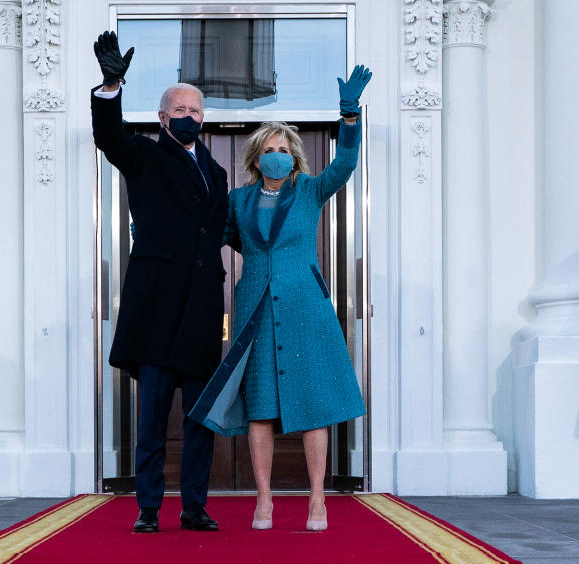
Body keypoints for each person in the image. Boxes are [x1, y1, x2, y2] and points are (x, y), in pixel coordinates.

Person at [190, 65, 372, 531]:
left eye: (283, 149)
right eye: (268, 150)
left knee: (311, 404)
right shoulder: (238, 199)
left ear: (294, 157)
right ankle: (264, 500)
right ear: (256, 158)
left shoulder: (310, 191)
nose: (276, 155)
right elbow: (222, 237)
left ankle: (317, 500)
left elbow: (346, 164)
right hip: (254, 308)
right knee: (260, 406)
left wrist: (348, 117)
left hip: (305, 308)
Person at [90, 31, 228, 533]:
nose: (189, 114)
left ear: (202, 118)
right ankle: (148, 508)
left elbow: (222, 231)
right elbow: (109, 137)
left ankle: (194, 505)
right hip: (155, 313)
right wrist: (110, 86)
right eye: (180, 108)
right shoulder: (144, 155)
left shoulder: (216, 171)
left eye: (196, 108)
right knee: (150, 421)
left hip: (200, 316)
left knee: (199, 421)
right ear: (163, 116)